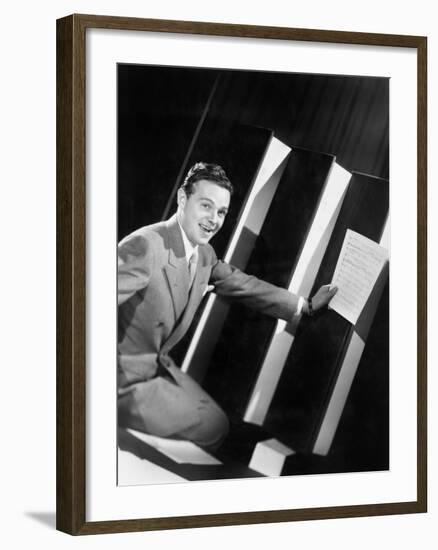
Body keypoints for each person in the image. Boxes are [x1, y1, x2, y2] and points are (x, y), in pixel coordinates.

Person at [118, 162, 337, 451]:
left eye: (221, 212)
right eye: (206, 206)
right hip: (119, 381)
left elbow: (243, 284)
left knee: (218, 422)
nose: (213, 220)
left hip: (156, 367)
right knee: (214, 427)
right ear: (183, 199)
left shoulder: (204, 254)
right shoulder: (145, 244)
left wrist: (304, 305)